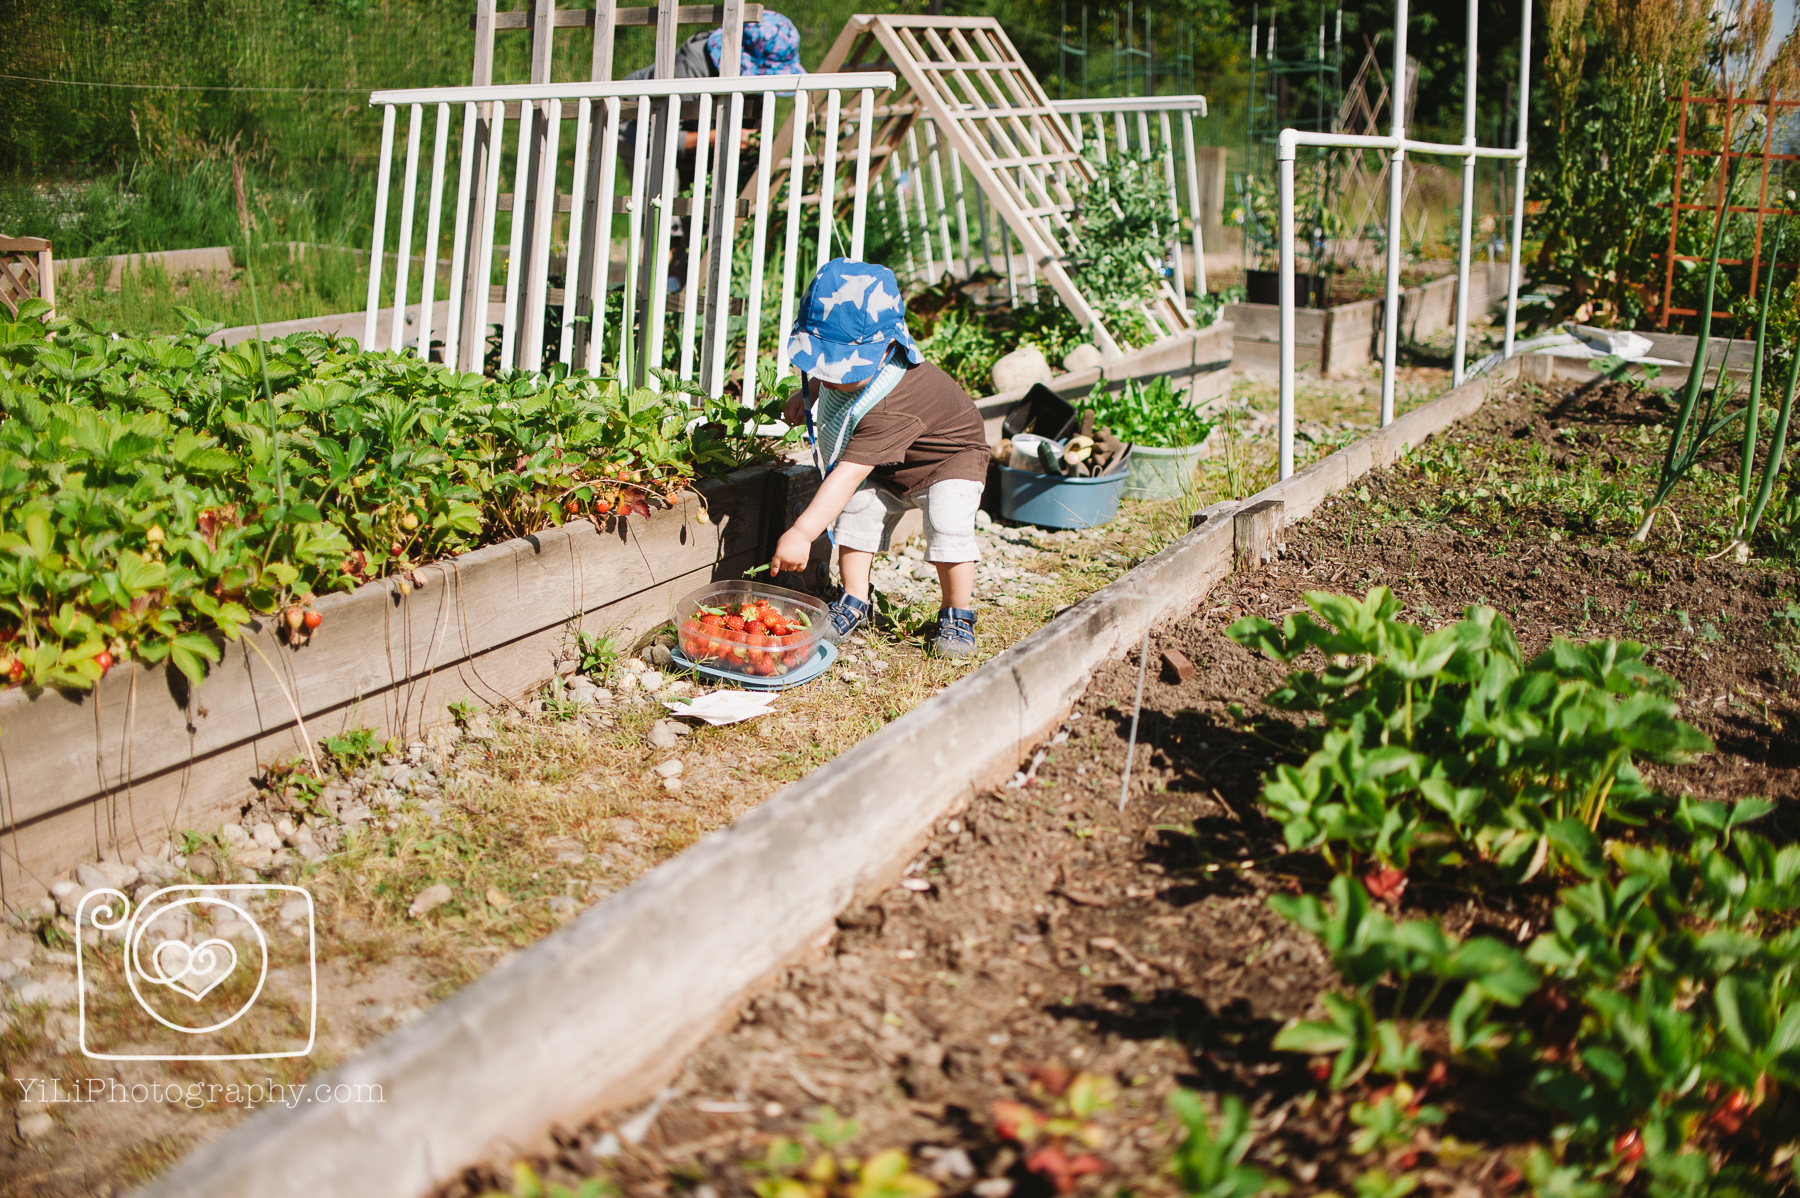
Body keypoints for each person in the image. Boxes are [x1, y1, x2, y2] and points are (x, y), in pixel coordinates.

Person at [769, 259, 989, 659]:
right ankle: (854, 600)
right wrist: (811, 390)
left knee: (947, 521)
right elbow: (831, 372)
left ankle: (957, 613)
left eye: (839, 366)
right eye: (822, 363)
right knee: (857, 510)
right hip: (892, 462)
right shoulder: (853, 371)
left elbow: (846, 475)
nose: (831, 375)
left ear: (888, 347)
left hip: (948, 461)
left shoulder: (890, 404)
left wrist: (802, 533)